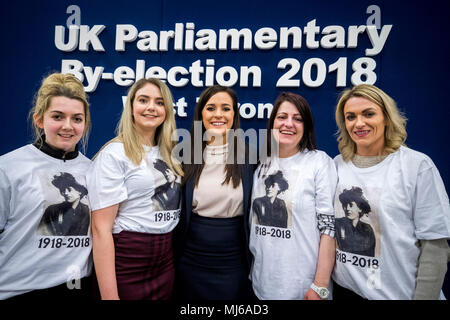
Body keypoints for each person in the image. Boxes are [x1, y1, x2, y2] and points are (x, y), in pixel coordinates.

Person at [332, 84, 450, 300]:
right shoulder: (337, 165)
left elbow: (435, 247)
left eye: (368, 114)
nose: (359, 123)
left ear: (386, 117)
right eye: (350, 117)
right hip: (345, 292)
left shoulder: (417, 166)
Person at [86, 78, 182, 300]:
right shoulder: (114, 154)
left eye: (159, 102)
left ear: (166, 110)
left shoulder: (172, 152)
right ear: (130, 108)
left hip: (165, 262)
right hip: (127, 261)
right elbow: (101, 230)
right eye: (143, 100)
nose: (151, 107)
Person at [0, 73, 92, 300]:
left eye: (77, 119)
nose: (68, 126)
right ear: (39, 119)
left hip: (78, 288)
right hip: (19, 290)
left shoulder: (95, 170)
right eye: (58, 117)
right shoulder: (8, 167)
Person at [249, 92, 337, 300]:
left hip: (305, 290)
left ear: (306, 126)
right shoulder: (261, 165)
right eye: (282, 117)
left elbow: (329, 228)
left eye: (297, 119)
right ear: (272, 123)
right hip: (261, 287)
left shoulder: (318, 162)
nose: (289, 124)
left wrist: (320, 285)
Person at [174, 85, 256, 300]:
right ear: (201, 113)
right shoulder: (183, 155)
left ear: (234, 115)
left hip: (234, 262)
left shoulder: (251, 158)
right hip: (191, 261)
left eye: (226, 108)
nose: (218, 114)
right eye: (211, 108)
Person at [38, 172, 90, 236]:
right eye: (63, 190)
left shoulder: (85, 210)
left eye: (69, 189)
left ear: (79, 191)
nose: (65, 193)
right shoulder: (51, 210)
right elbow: (43, 233)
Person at [335, 186, 375, 257]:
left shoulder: (367, 229)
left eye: (351, 205)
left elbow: (370, 255)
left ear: (360, 208)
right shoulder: (338, 224)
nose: (347, 208)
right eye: (345, 205)